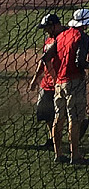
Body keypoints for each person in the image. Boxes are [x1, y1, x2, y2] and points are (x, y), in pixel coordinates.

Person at [53, 8, 89, 165]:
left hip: (59, 80)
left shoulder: (62, 35)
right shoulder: (82, 37)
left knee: (59, 116)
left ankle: (58, 153)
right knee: (75, 118)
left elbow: (51, 57)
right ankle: (75, 155)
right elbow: (79, 62)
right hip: (74, 81)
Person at [28, 13, 62, 148]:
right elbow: (43, 62)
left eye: (47, 27)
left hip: (60, 81)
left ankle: (78, 126)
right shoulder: (48, 40)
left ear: (55, 25)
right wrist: (35, 78)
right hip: (46, 83)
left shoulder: (64, 39)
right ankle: (52, 138)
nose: (46, 30)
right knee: (44, 111)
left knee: (63, 112)